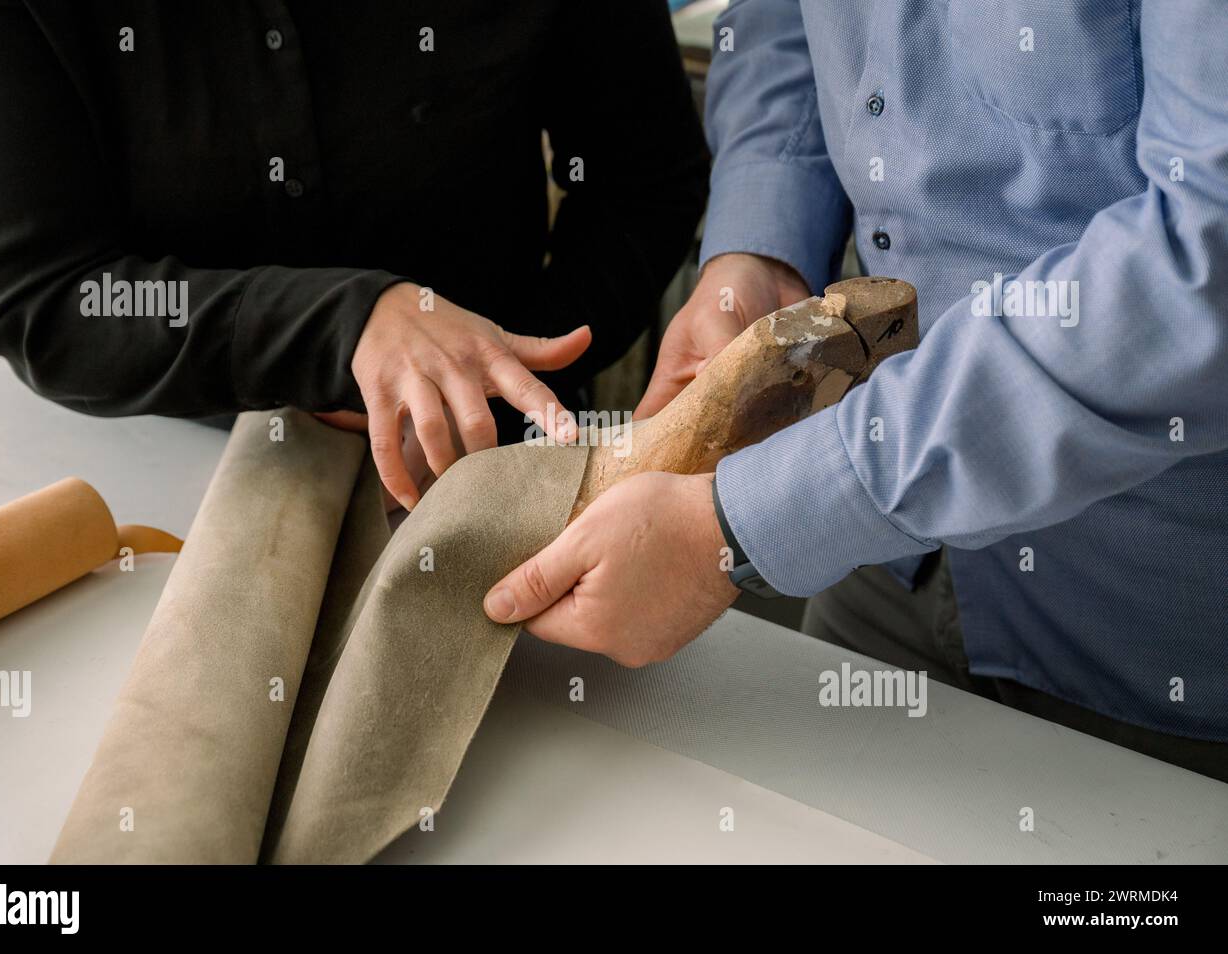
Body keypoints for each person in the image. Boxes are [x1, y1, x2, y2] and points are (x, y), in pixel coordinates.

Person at [486, 0, 1228, 781]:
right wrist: (762, 249)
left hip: (1155, 628)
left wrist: (748, 523)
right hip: (873, 578)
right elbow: (781, 24)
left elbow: (1201, 272)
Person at [0, 1, 708, 509]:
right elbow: (47, 295)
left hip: (490, 468)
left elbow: (647, 180)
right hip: (158, 478)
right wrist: (341, 327)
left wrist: (491, 378)